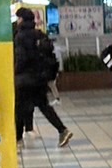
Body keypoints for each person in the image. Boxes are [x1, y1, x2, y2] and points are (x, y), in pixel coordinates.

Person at [14, 8, 72, 146]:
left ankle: (17, 139)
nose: (17, 21)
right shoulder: (39, 34)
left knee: (20, 107)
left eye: (18, 18)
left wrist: (15, 72)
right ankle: (62, 130)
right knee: (43, 106)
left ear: (21, 19)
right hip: (40, 77)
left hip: (25, 79)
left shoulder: (20, 36)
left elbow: (22, 58)